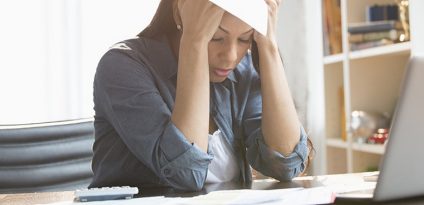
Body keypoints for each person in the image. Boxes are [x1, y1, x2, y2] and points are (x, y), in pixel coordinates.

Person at [90, 0, 310, 191]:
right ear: (180, 13)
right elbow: (186, 173)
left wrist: (268, 46)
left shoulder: (243, 74)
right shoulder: (121, 66)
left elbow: (286, 165)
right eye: (216, 37)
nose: (231, 57)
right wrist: (194, 40)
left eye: (245, 39)